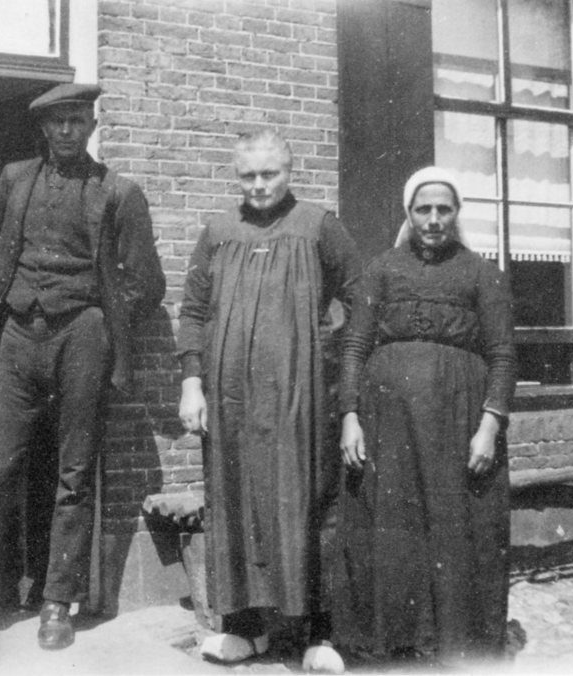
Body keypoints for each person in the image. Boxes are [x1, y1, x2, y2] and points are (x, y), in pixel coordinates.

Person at [0, 82, 165, 650]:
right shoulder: (14, 180)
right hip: (17, 335)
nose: (66, 131)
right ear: (43, 128)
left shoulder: (119, 193)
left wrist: (103, 318)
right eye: (57, 121)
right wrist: (16, 301)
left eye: (77, 121)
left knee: (74, 474)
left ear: (92, 126)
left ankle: (58, 600)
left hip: (82, 335)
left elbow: (147, 282)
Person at [176, 130, 361, 673]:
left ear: (289, 171)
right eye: (248, 176)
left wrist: (326, 353)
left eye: (269, 174)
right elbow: (193, 311)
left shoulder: (319, 227)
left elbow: (360, 298)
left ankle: (319, 634)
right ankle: (243, 629)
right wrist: (192, 382)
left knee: (309, 501)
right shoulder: (218, 232)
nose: (258, 185)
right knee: (234, 500)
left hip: (301, 398)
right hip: (231, 399)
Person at [332, 166, 516, 667]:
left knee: (455, 527)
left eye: (443, 209)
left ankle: (457, 647)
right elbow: (354, 346)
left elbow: (502, 355)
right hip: (387, 423)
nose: (433, 220)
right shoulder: (381, 270)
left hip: (458, 422)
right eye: (423, 210)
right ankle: (392, 642)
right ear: (409, 214)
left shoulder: (482, 274)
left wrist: (489, 426)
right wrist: (349, 415)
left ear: (457, 214)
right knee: (393, 527)